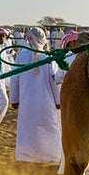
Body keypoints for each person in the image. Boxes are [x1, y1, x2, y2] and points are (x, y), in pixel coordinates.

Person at [9, 27, 62, 163]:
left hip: (27, 102)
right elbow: (55, 81)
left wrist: (14, 100)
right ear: (44, 39)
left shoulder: (21, 57)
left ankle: (27, 156)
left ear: (28, 40)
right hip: (47, 102)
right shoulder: (49, 57)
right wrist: (58, 101)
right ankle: (50, 156)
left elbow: (14, 79)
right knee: (49, 128)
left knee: (28, 129)